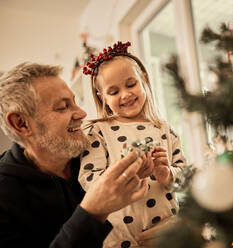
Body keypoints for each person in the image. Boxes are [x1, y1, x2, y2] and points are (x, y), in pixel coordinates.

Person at [0, 62, 148, 247]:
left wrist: (169, 231)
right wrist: (93, 212)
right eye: (63, 107)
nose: (82, 113)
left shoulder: (101, 152)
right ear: (21, 123)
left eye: (74, 102)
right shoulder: (4, 197)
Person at [78, 41, 186, 248]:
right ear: (102, 98)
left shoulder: (164, 128)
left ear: (144, 80)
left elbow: (186, 175)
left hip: (167, 237)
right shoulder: (98, 131)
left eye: (130, 84)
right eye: (113, 91)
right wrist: (127, 174)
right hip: (120, 240)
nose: (125, 95)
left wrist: (169, 173)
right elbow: (88, 180)